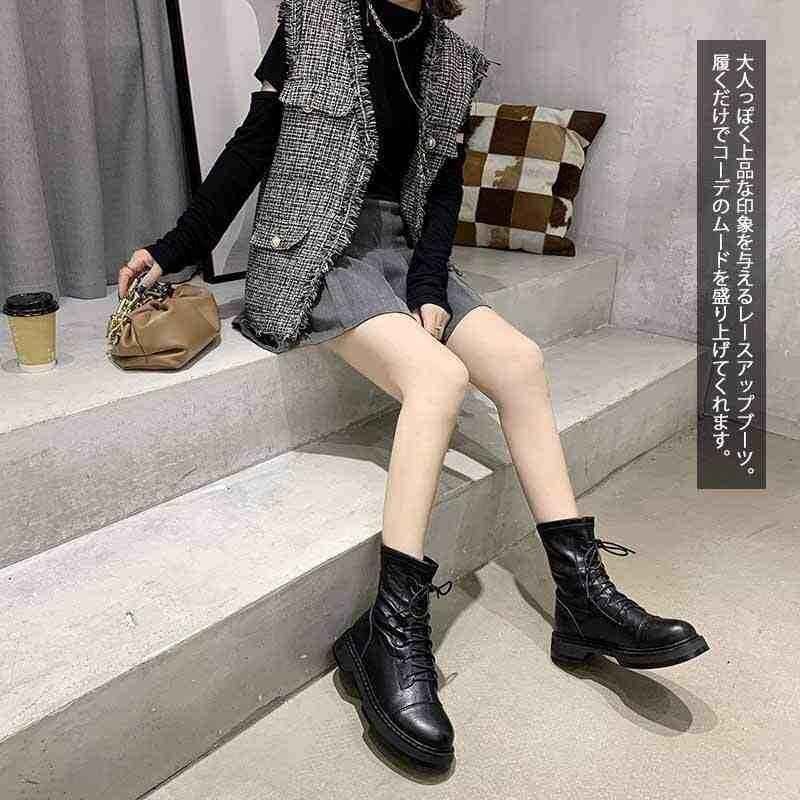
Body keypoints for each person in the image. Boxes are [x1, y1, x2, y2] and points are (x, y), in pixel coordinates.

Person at [119, 0, 708, 772]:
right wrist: (173, 248)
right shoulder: (315, 18)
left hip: (406, 253)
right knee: (439, 377)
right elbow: (253, 146)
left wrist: (429, 284)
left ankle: (581, 598)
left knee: (521, 363)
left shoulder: (450, 58)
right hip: (316, 250)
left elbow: (441, 190)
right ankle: (387, 632)